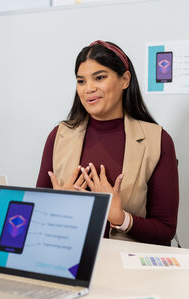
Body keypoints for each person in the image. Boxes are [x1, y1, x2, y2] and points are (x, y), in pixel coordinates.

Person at [36, 41, 178, 246]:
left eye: (99, 78)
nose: (89, 89)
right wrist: (57, 208)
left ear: (125, 80)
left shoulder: (158, 140)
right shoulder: (59, 135)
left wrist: (121, 219)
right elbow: (36, 219)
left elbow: (165, 231)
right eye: (81, 81)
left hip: (126, 265)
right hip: (67, 257)